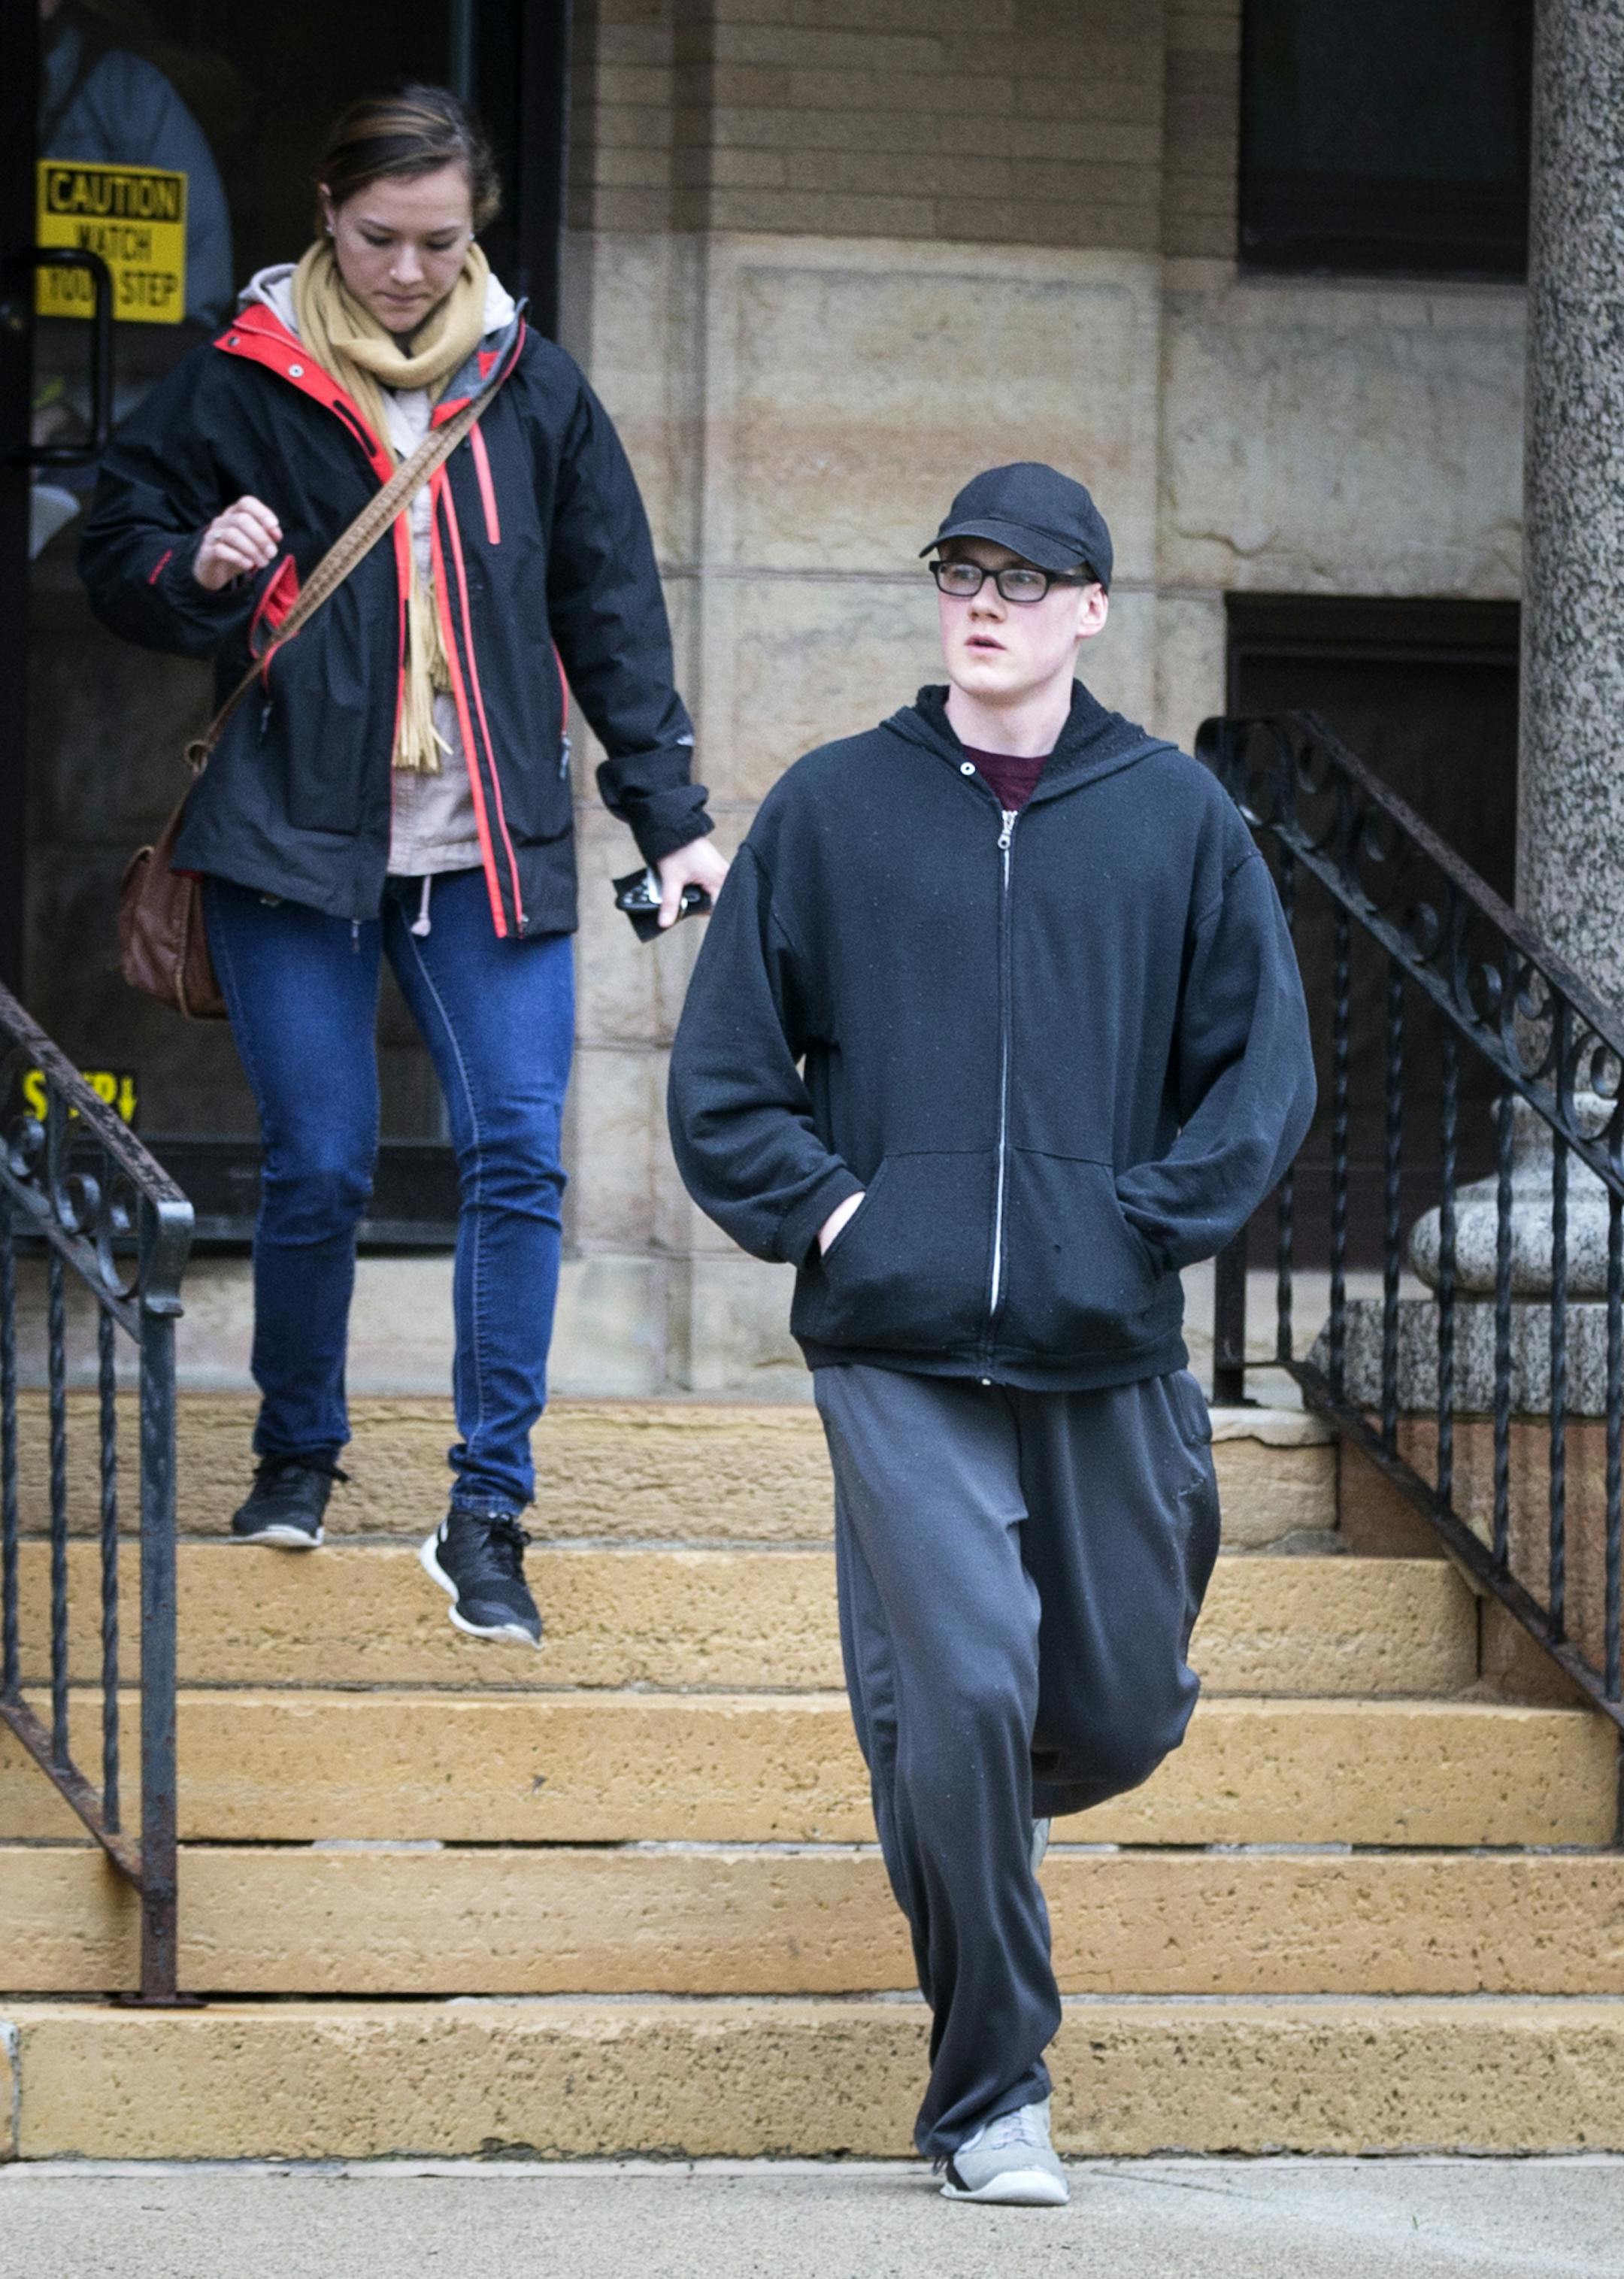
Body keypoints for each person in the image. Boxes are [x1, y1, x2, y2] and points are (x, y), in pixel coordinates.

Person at [667, 463, 1314, 2203]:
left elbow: (1263, 1075)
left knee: (1111, 1711)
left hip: (1106, 1342)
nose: (989, 600)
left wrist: (1142, 1222)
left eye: (1029, 580)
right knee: (958, 1686)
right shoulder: (834, 810)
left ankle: (967, 1809)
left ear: (1093, 610)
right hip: (894, 1340)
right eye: (962, 570)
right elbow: (727, 1083)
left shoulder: (1174, 818)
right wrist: (843, 1216)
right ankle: (991, 2092)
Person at [80, 86, 727, 1645]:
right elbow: (116, 540)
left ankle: (488, 1509)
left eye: (444, 242)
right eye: (382, 239)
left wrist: (674, 814)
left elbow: (613, 617)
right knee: (321, 1162)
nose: (412, 272)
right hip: (295, 836)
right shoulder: (240, 379)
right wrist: (197, 568)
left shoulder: (535, 390)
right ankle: (297, 1449)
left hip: (490, 844)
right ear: (326, 209)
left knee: (518, 1153)